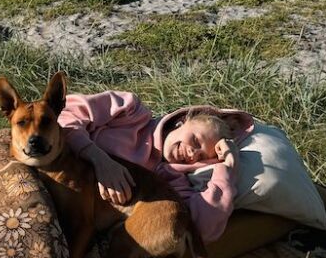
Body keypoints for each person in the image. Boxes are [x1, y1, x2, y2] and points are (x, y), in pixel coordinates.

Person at [58, 91, 253, 243]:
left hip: (71, 217)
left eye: (200, 156)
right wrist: (100, 161)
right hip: (45, 173)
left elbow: (200, 229)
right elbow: (62, 116)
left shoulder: (169, 178)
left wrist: (228, 168)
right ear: (181, 121)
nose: (192, 153)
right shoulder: (130, 111)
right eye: (194, 140)